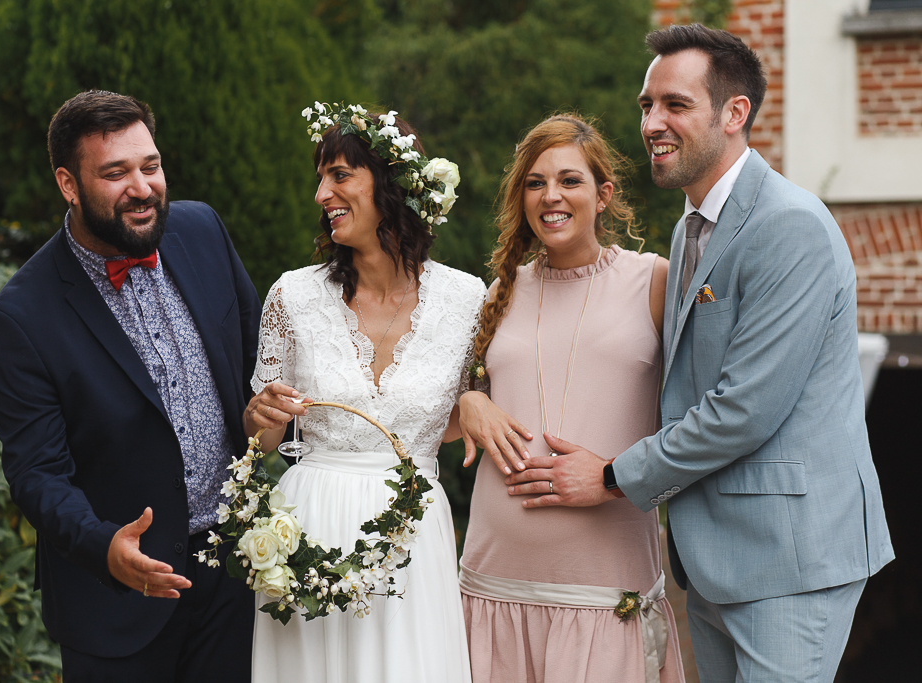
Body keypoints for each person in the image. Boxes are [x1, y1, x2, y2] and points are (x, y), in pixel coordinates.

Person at [502, 25, 895, 683]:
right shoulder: (691, 229)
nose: (652, 121)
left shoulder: (788, 226)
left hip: (790, 557)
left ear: (734, 114)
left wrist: (608, 476)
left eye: (675, 105)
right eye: (646, 105)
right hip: (713, 558)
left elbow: (743, 410)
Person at [0, 91, 261, 682]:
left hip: (235, 579)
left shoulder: (203, 229)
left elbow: (258, 363)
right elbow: (37, 473)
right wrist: (104, 547)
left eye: (150, 166)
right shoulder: (21, 318)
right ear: (68, 183)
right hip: (116, 604)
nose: (142, 186)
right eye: (115, 173)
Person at [243, 106, 485, 683]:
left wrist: (480, 401)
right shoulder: (292, 296)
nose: (322, 192)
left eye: (340, 175)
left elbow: (461, 420)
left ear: (391, 183)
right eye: (320, 177)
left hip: (411, 534)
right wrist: (263, 418)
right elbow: (264, 439)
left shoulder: (467, 301)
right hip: (307, 530)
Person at [455, 113, 684, 683]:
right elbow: (450, 412)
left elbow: (699, 421)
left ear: (604, 194)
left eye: (569, 180)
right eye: (535, 183)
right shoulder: (499, 293)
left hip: (605, 586)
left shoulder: (655, 282)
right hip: (492, 583)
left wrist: (612, 475)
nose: (550, 196)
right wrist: (471, 400)